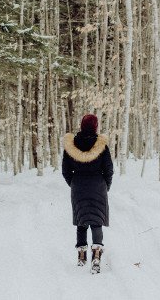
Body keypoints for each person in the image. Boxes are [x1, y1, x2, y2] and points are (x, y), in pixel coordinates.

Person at [62, 113, 114, 273]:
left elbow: (65, 170)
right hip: (98, 186)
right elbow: (109, 169)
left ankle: (81, 256)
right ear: (95, 126)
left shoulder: (71, 145)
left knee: (81, 221)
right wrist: (106, 186)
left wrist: (74, 183)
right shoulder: (101, 145)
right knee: (96, 220)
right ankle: (97, 255)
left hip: (78, 187)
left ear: (81, 125)